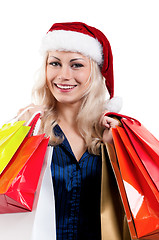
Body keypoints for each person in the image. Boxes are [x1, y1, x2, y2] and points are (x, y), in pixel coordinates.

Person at [18, 22, 131, 240]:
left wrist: (119, 150)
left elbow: (142, 205)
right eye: (55, 63)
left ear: (95, 72)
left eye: (76, 65)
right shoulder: (30, 129)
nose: (63, 75)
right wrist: (19, 143)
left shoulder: (114, 132)